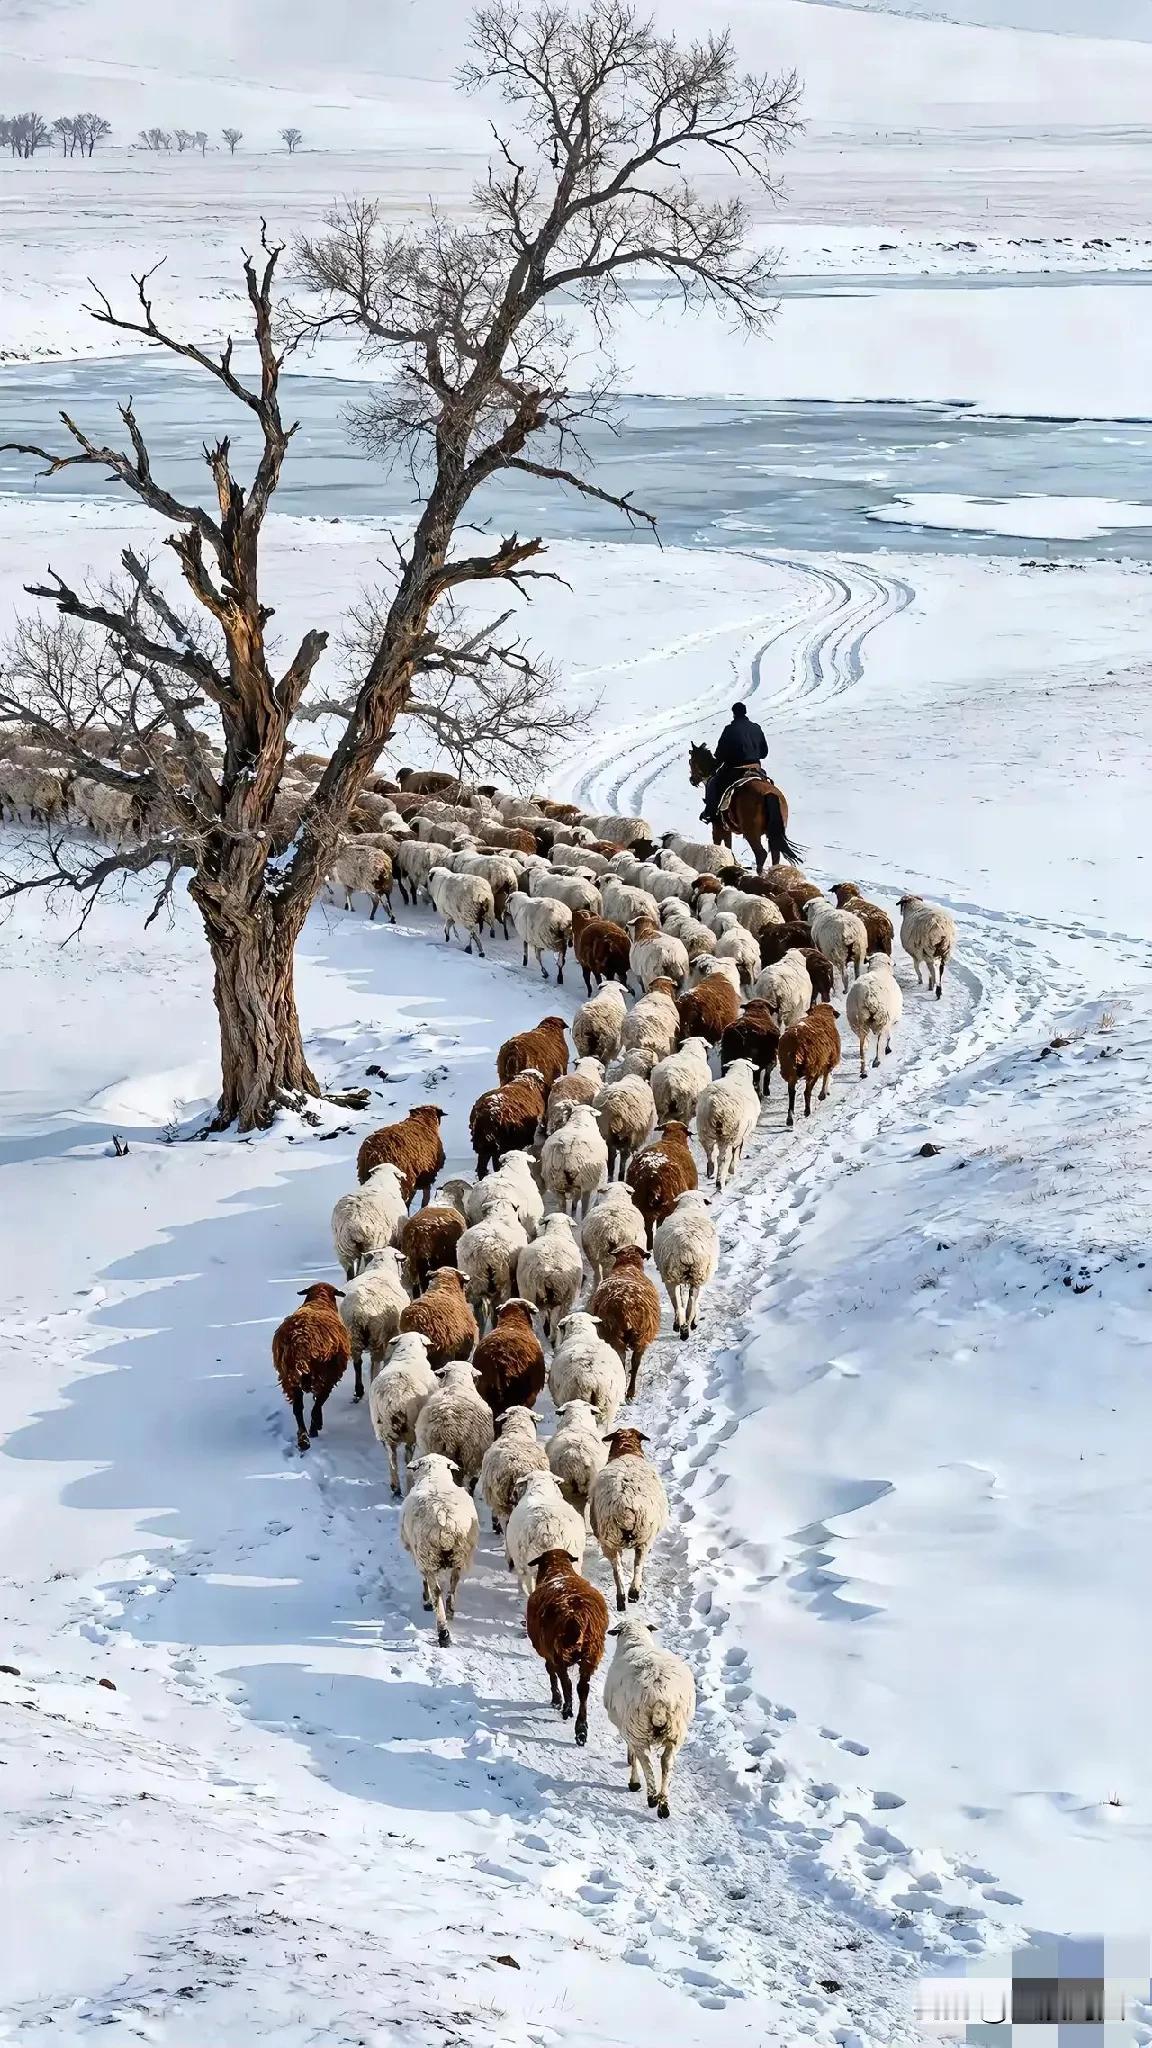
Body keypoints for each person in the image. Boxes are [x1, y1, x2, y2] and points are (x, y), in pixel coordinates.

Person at [701, 701, 768, 823]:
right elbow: (764, 753)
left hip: (736, 769)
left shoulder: (729, 729)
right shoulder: (756, 727)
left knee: (713, 783)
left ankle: (710, 813)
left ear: (733, 714)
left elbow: (719, 754)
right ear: (745, 712)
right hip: (756, 768)